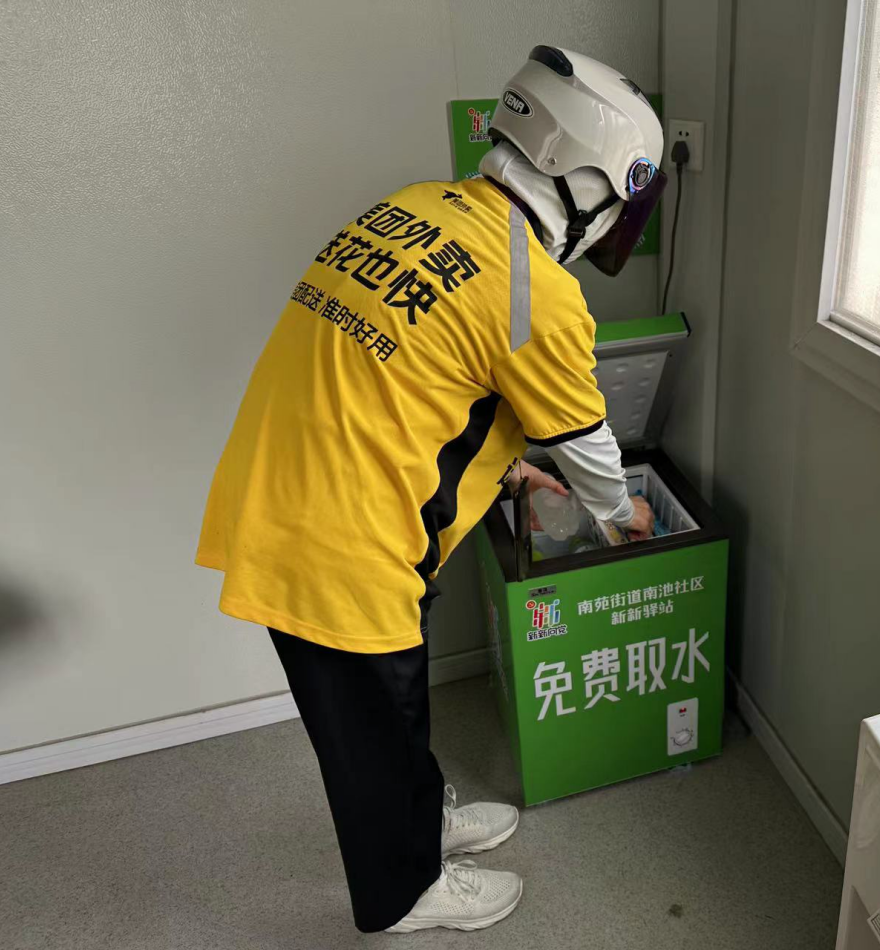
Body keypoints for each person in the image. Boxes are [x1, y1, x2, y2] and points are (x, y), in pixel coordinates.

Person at [195, 46, 665, 935]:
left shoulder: (415, 207)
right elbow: (586, 439)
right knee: (374, 726)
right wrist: (619, 513)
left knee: (393, 704)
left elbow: (417, 382)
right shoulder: (533, 286)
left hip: (291, 490)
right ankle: (405, 892)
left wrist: (510, 469)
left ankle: (423, 824)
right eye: (620, 209)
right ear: (589, 183)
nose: (613, 229)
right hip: (339, 538)